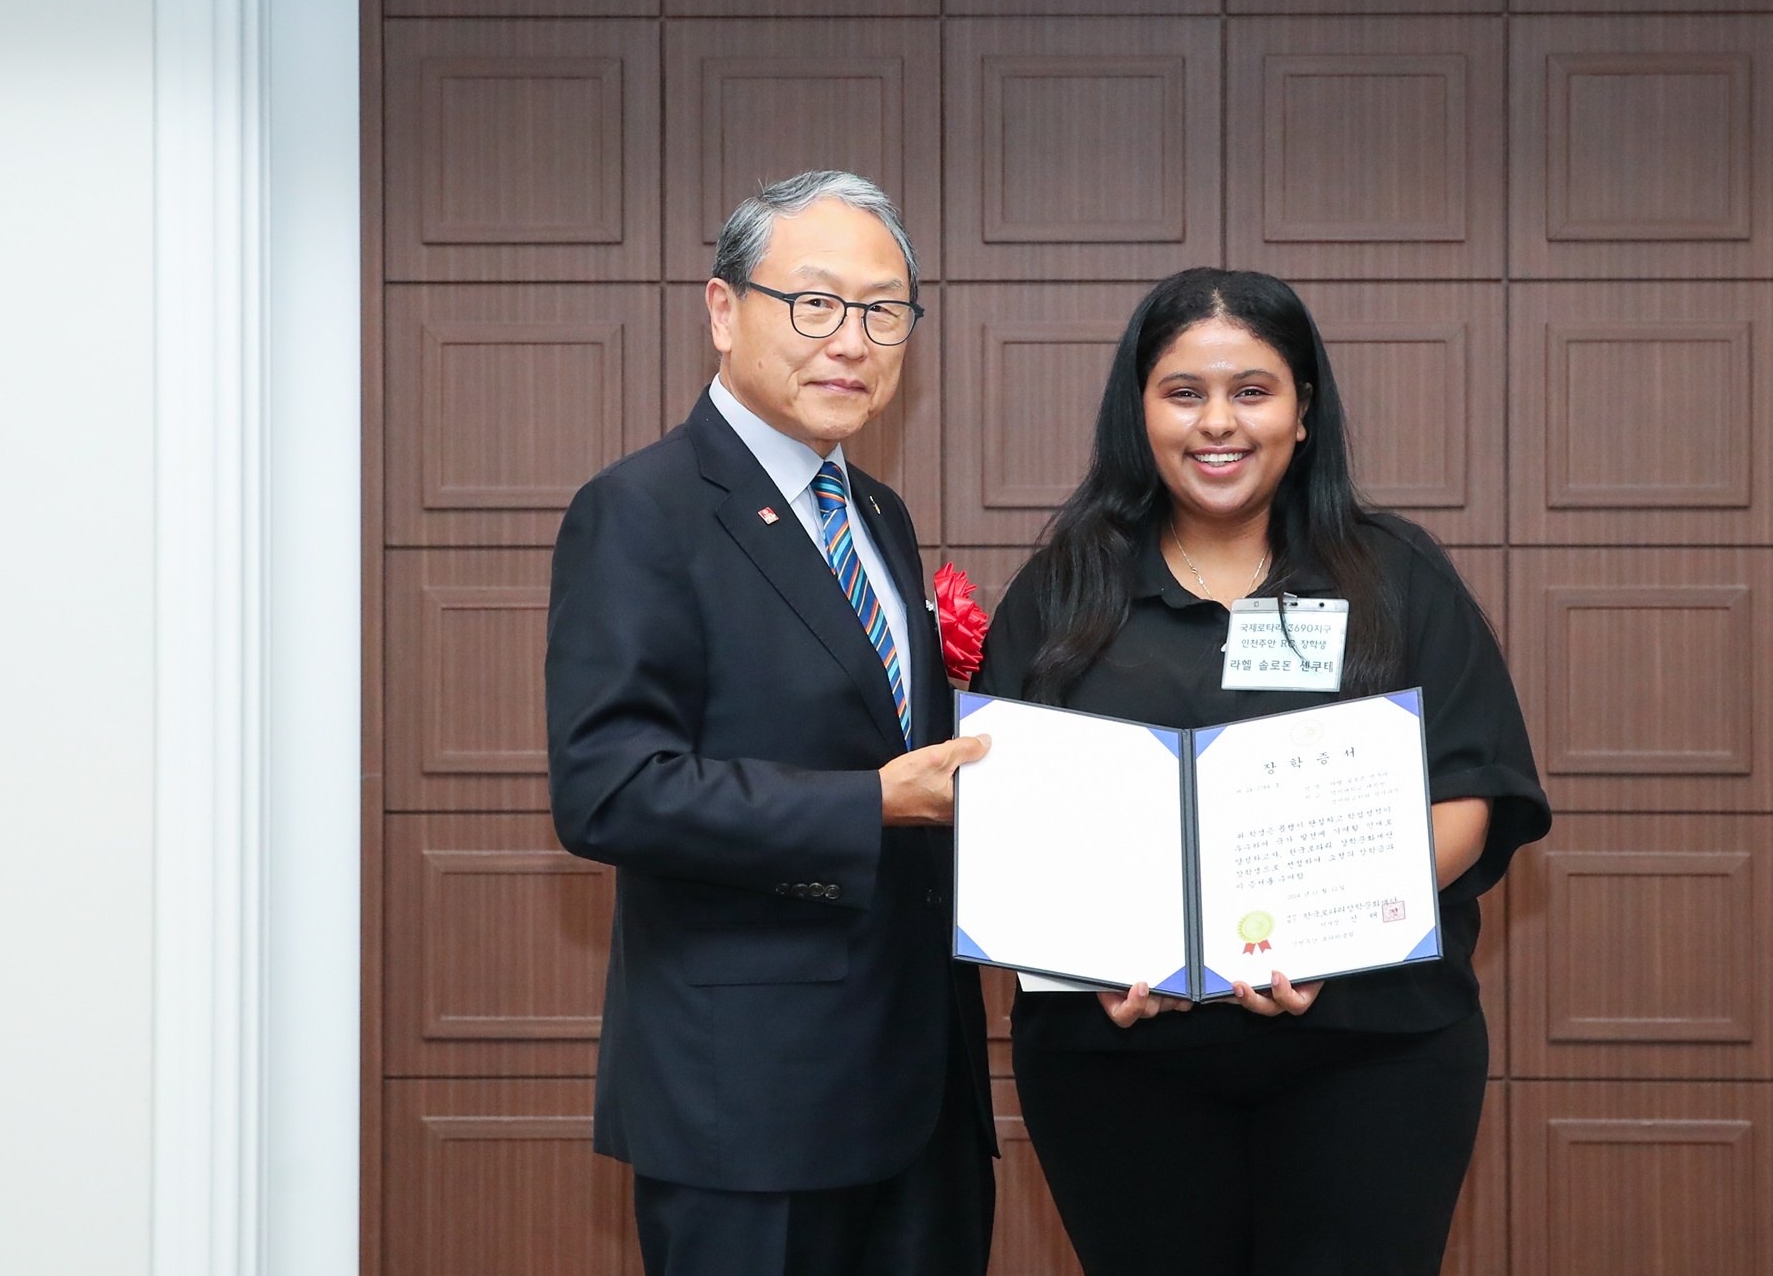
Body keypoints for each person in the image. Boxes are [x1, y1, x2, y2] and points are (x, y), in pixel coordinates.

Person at [970, 268, 1550, 1276]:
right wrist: (1087, 952)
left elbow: (1467, 794)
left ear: (1302, 410)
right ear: (1139, 412)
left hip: (1372, 1049)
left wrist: (1330, 930)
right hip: (1116, 1059)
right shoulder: (1064, 586)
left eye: (1251, 390)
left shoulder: (1396, 574)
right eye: (1182, 392)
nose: (1216, 423)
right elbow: (1005, 811)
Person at [545, 171, 996, 1276]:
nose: (851, 341)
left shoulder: (877, 512)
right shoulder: (641, 510)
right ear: (722, 309)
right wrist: (871, 802)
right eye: (815, 302)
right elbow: (609, 787)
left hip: (919, 1084)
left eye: (883, 311)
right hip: (747, 1102)